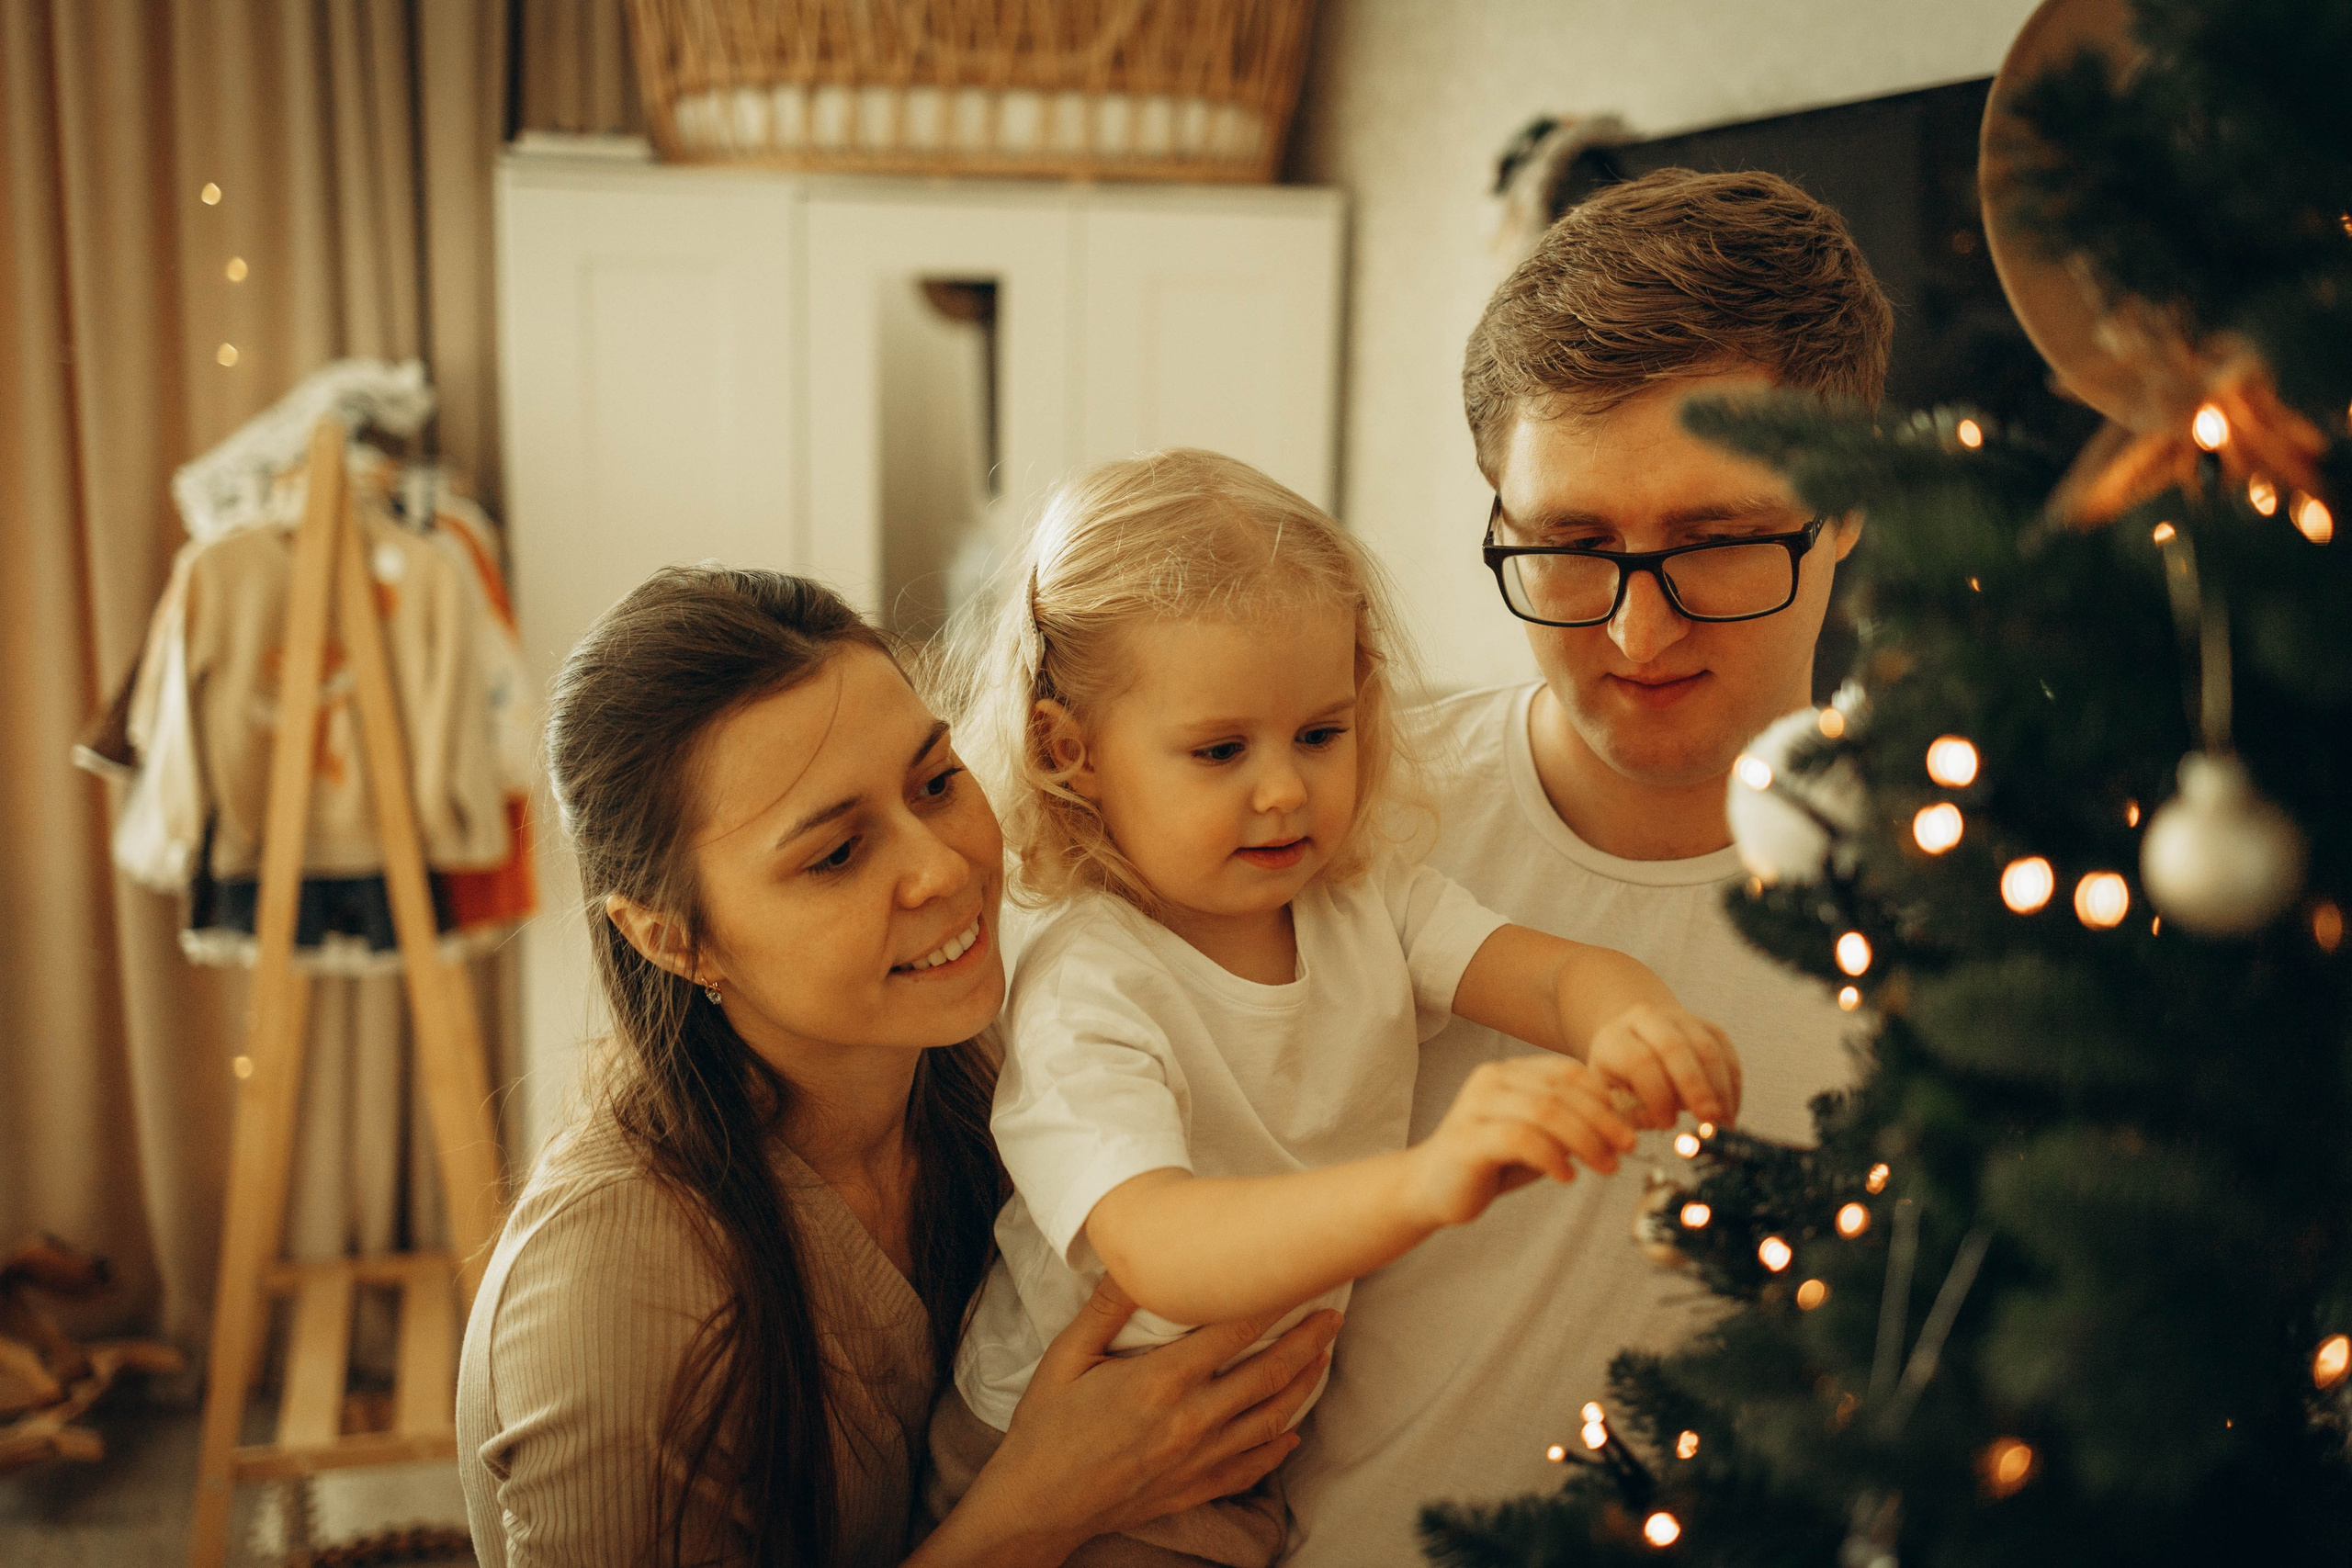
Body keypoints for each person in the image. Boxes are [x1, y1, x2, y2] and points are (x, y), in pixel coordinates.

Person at [922, 451, 1743, 1566]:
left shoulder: (1365, 900)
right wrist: (1419, 1185)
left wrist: (1635, 1019)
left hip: (1239, 1429)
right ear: (1072, 755)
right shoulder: (1091, 979)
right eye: (1220, 751)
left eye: (1319, 733)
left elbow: (1551, 975)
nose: (1283, 789)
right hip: (1074, 1437)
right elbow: (1160, 1250)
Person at [455, 567, 1343, 1568]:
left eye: (935, 782)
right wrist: (1034, 1513)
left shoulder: (1005, 1057)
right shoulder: (614, 1288)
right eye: (834, 855)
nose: (942, 867)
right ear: (672, 940)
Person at [1278, 168, 1896, 1563]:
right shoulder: (1337, 816)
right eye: (1566, 545)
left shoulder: (1989, 886)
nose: (1632, 633)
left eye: (1716, 539)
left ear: (1849, 506)